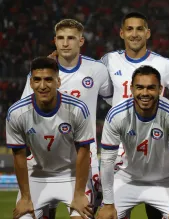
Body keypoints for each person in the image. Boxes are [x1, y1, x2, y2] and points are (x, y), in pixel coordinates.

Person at [20, 19, 112, 218]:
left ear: (81, 41)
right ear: (54, 41)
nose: (65, 43)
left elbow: (114, 99)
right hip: (45, 155)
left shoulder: (97, 70)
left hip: (84, 154)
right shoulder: (41, 74)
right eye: (61, 38)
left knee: (87, 211)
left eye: (71, 38)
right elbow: (24, 112)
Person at [100, 11, 169, 218]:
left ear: (148, 33)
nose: (134, 34)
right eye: (129, 29)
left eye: (139, 29)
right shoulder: (108, 61)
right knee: (112, 209)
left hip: (156, 140)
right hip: (122, 140)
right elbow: (98, 87)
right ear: (121, 33)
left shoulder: (164, 65)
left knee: (157, 208)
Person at [7, 57, 94, 219]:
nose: (42, 85)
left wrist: (80, 194)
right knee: (23, 216)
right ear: (31, 83)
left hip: (71, 175)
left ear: (58, 82)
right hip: (37, 175)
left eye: (48, 79)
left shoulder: (77, 108)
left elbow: (84, 151)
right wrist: (25, 198)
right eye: (37, 80)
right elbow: (18, 155)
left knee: (81, 216)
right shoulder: (17, 113)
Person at [97, 66, 169, 219]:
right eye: (139, 87)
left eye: (151, 88)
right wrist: (107, 203)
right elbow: (107, 161)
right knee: (106, 217)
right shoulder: (116, 114)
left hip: (164, 180)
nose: (145, 93)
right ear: (131, 88)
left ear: (160, 89)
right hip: (127, 179)